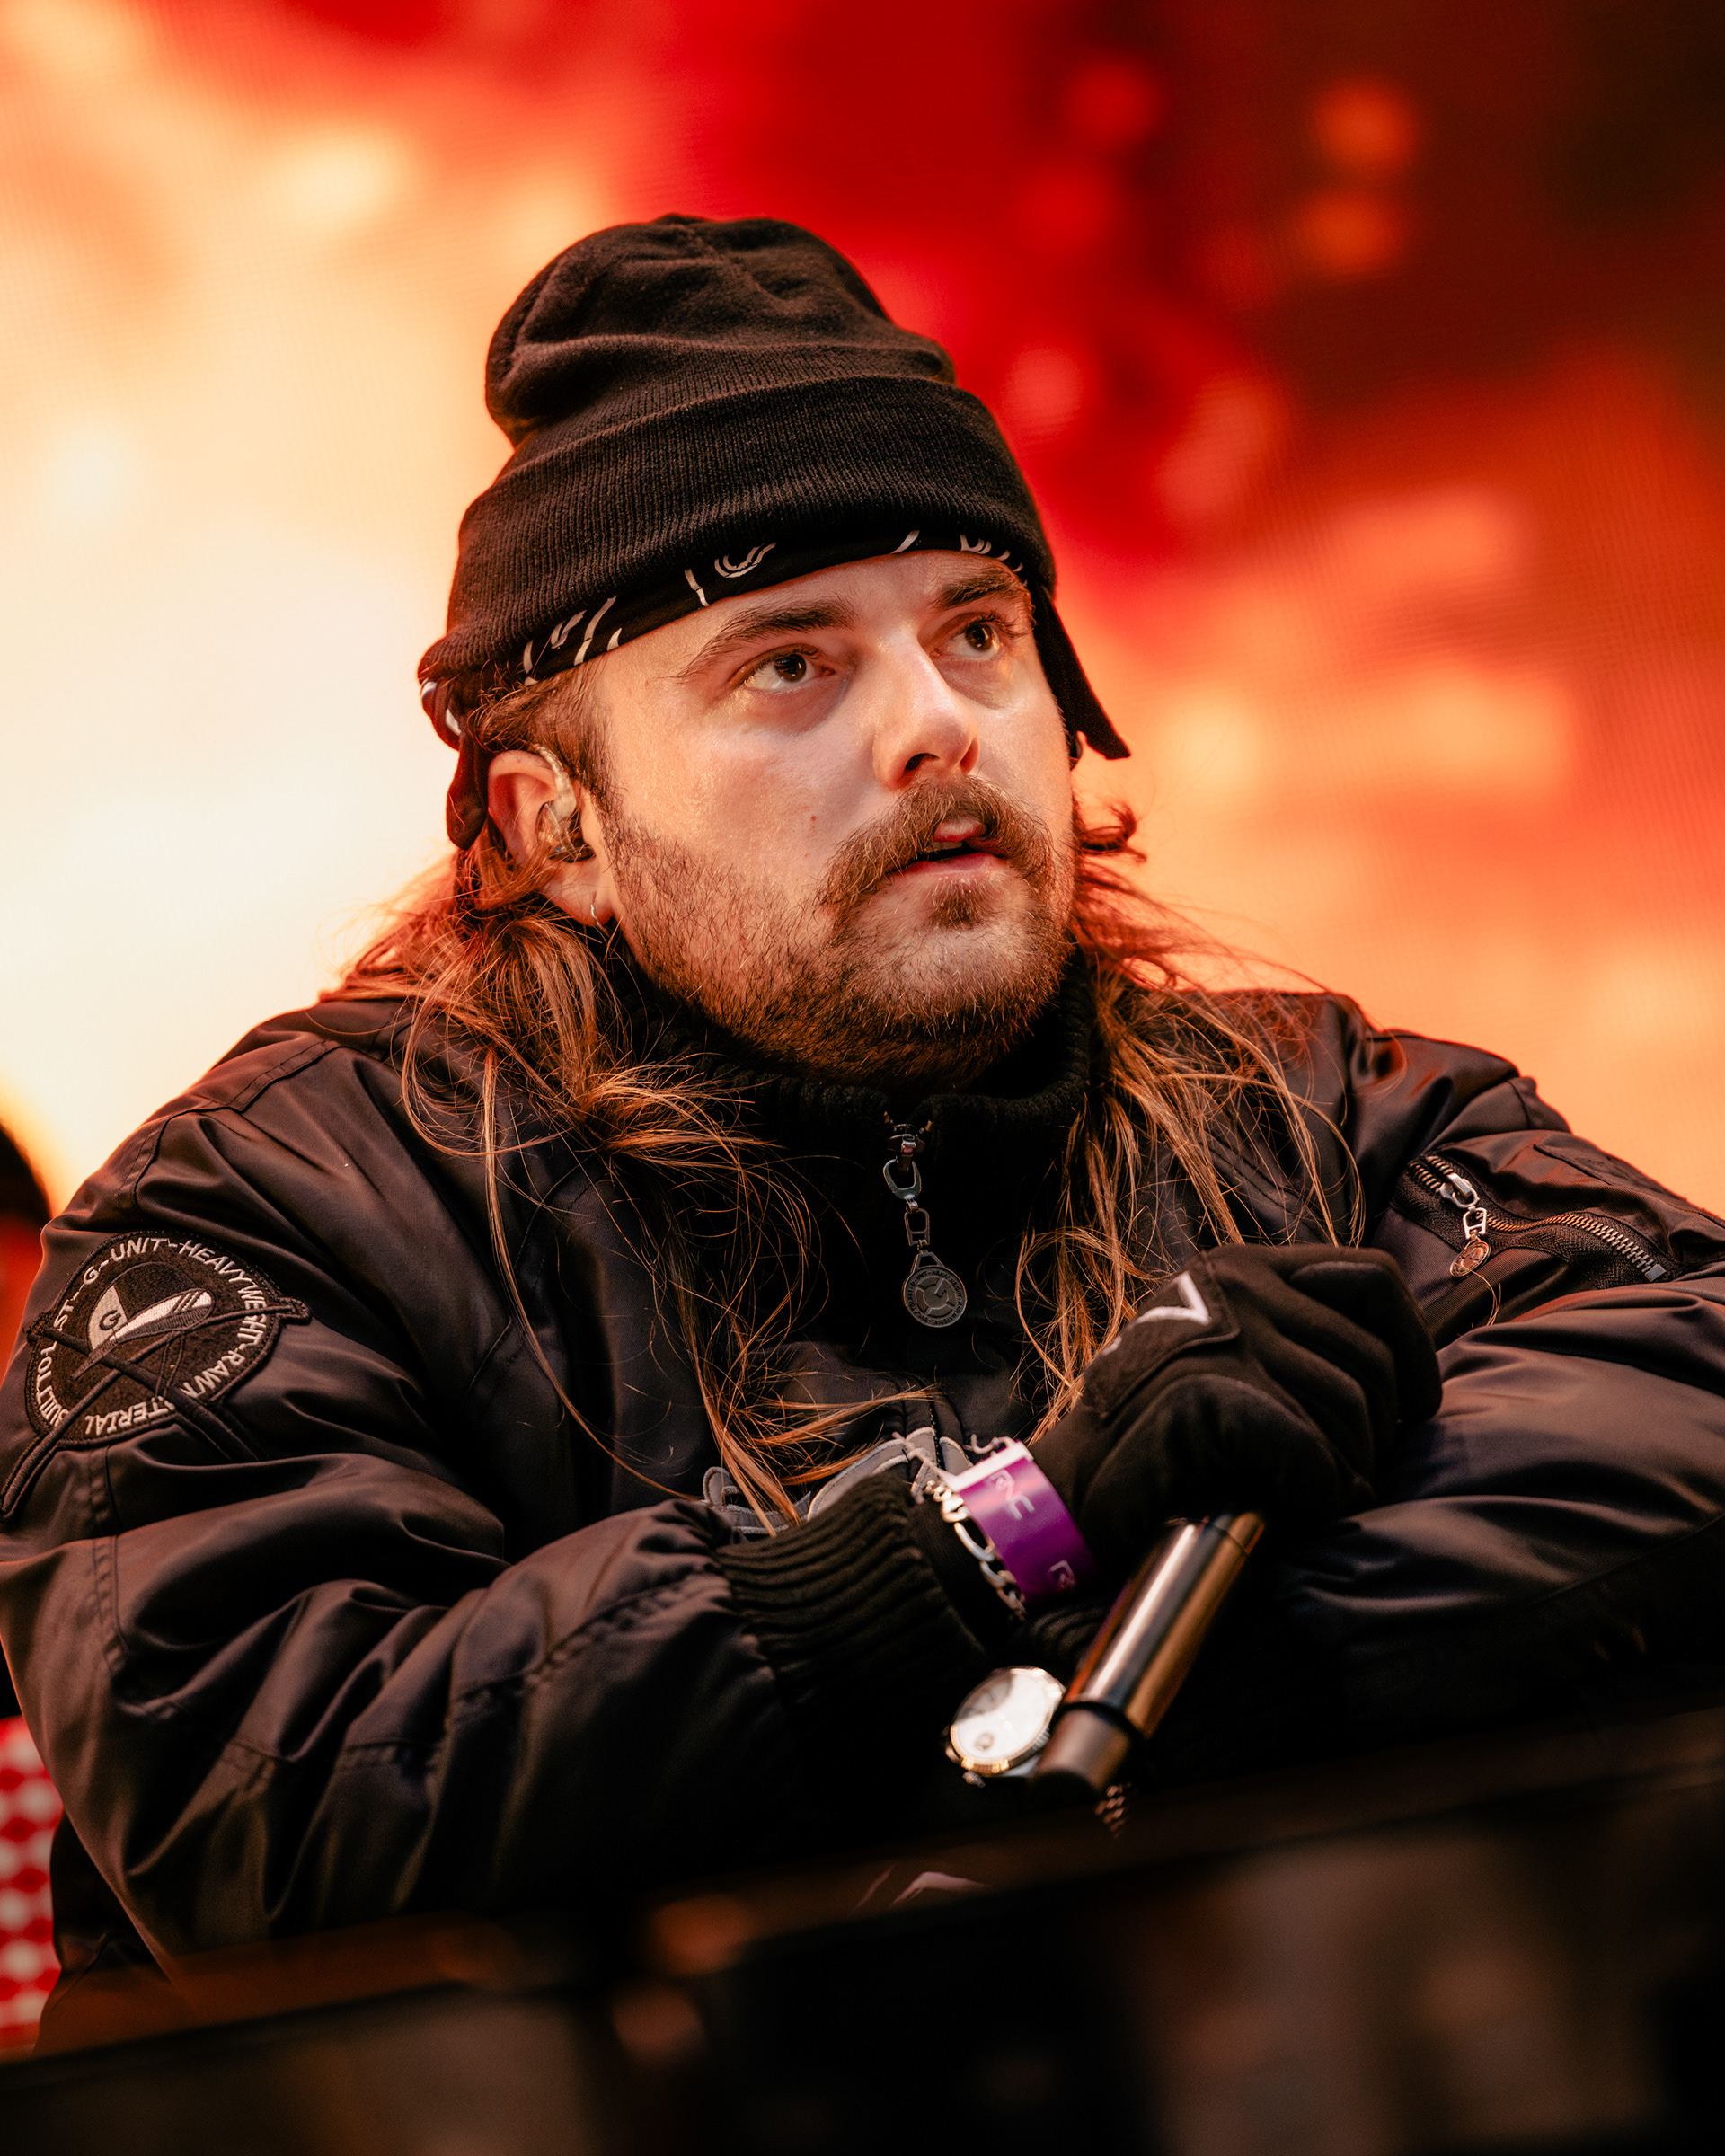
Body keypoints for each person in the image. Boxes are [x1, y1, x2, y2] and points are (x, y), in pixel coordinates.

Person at [4, 217, 1724, 2038]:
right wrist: (1005, 1530)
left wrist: (1135, 1707)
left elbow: (1685, 1386)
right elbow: (285, 1814)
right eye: (791, 665)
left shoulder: (1319, 1113)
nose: (937, 727)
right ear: (555, 823)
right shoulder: (267, 1213)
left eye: (979, 631)